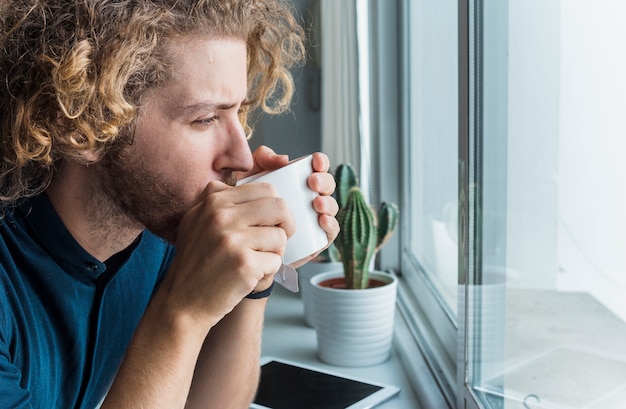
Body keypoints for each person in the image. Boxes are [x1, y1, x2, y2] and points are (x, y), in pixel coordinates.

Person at [0, 1, 339, 408]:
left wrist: (255, 274)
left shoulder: (158, 225)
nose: (243, 157)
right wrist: (182, 311)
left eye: (238, 112)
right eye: (205, 119)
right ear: (78, 124)